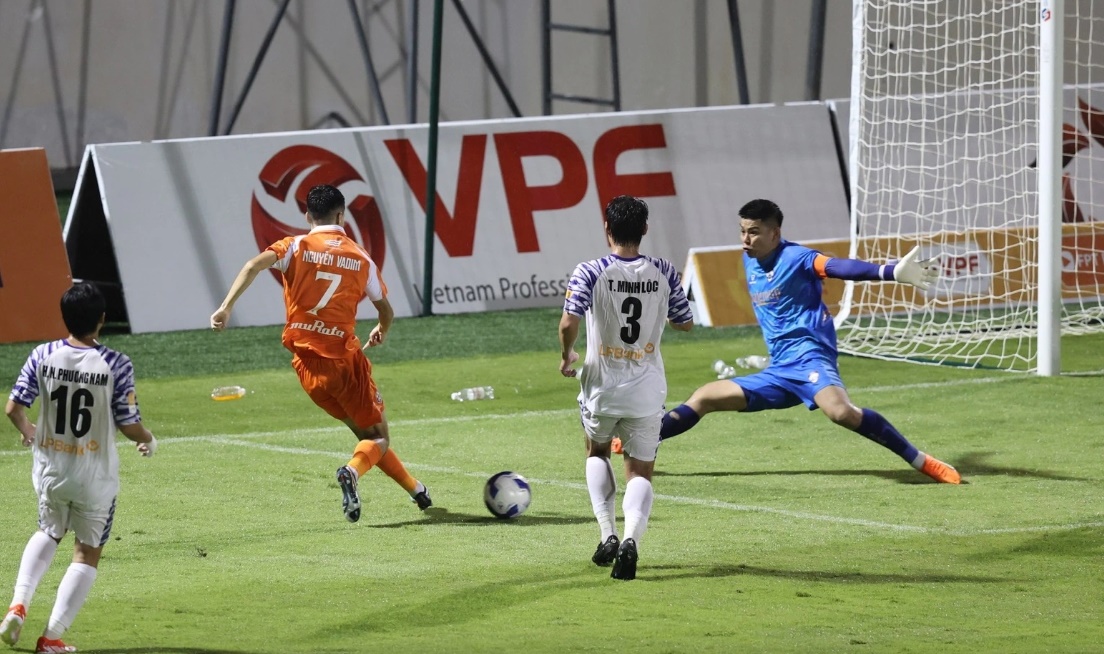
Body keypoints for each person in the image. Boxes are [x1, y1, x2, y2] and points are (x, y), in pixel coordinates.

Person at [656, 198, 961, 484]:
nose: (745, 239)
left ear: (775, 234)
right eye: (742, 231)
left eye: (754, 232)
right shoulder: (750, 260)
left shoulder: (797, 257)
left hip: (810, 359)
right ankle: (641, 443)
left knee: (841, 413)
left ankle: (921, 460)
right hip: (779, 370)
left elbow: (837, 266)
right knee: (704, 396)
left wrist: (889, 271)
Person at [210, 184, 430, 523]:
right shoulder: (360, 257)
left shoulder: (294, 246)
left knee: (366, 438)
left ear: (307, 216)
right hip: (344, 363)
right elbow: (385, 310)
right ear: (342, 216)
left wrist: (226, 307)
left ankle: (417, 490)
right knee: (379, 438)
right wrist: (381, 329)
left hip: (307, 369)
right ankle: (351, 473)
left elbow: (253, 265)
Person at [1, 282, 157, 654]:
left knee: (48, 531)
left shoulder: (43, 354)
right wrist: (148, 439)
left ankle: (17, 606)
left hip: (51, 471)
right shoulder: (115, 363)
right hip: (94, 478)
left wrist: (29, 431)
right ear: (102, 319)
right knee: (87, 552)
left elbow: (13, 408)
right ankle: (51, 637)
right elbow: (128, 424)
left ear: (65, 317)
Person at [559, 195, 694, 581]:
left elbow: (569, 321)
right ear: (645, 229)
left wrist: (567, 355)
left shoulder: (589, 271)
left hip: (601, 386)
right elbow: (684, 323)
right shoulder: (664, 271)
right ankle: (632, 539)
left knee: (597, 451)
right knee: (640, 471)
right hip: (646, 390)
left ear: (607, 228)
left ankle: (608, 534)